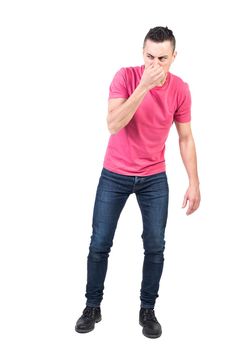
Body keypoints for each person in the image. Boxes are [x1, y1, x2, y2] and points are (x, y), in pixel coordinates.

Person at [75, 26, 201, 339]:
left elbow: (185, 137)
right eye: (149, 57)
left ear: (174, 57)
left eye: (162, 58)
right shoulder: (126, 77)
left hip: (154, 177)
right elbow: (113, 124)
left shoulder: (180, 89)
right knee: (100, 243)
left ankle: (148, 310)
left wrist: (194, 181)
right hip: (115, 173)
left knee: (155, 245)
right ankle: (92, 306)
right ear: (141, 53)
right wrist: (143, 87)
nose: (154, 64)